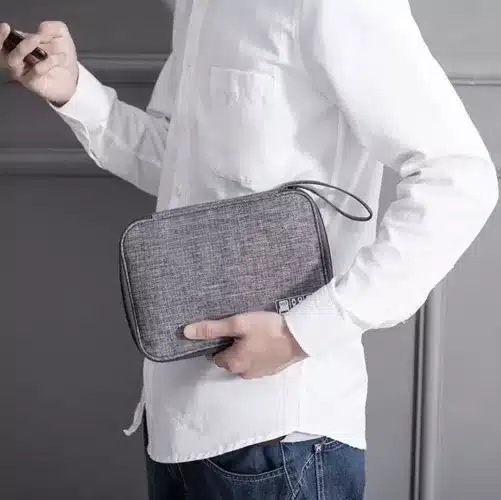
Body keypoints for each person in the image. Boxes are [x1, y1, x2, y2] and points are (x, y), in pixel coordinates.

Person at [1, 0, 498, 498]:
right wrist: (74, 91)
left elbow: (458, 177)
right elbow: (178, 168)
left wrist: (301, 333)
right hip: (173, 421)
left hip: (280, 438)